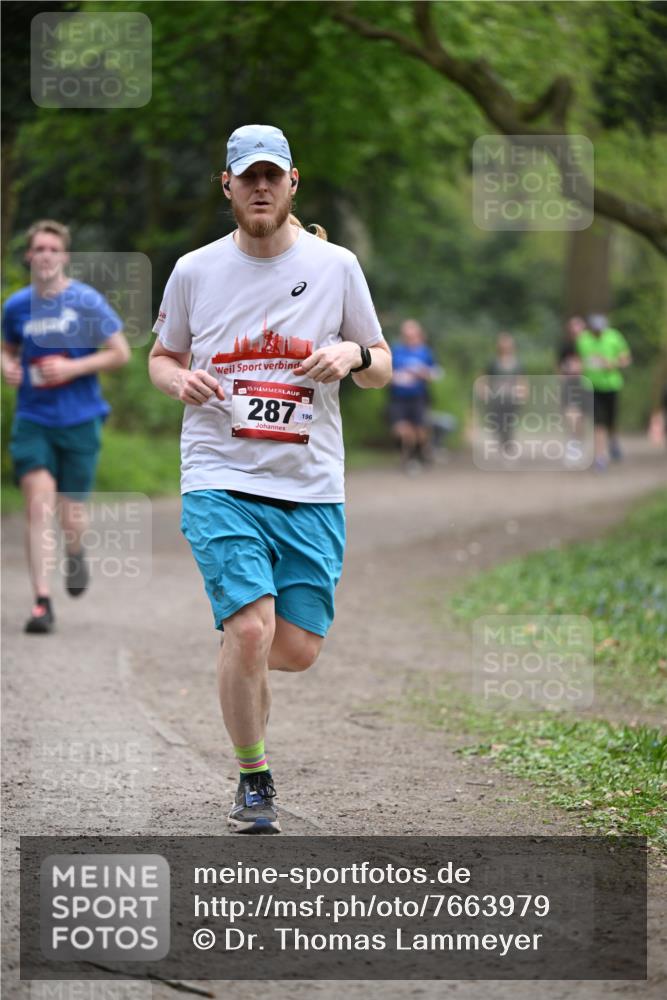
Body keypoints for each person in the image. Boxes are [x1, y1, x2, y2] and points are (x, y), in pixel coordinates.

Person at [148, 124, 391, 834]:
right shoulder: (194, 270)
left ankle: (237, 660)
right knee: (253, 632)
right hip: (219, 473)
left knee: (295, 649)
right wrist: (178, 381)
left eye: (271, 176)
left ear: (292, 183)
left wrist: (348, 353)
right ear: (226, 185)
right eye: (245, 177)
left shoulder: (336, 265)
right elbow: (161, 356)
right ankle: (254, 778)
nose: (259, 188)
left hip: (310, 484)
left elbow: (381, 364)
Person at [1, 219, 130, 634]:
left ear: (65, 257)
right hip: (33, 419)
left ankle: (75, 553)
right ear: (29, 256)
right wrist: (8, 367)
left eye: (53, 249)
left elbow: (120, 353)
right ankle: (42, 602)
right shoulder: (16, 305)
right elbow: (6, 349)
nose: (45, 256)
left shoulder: (86, 301)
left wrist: (72, 366)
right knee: (38, 504)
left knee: (71, 514)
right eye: (38, 249)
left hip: (80, 418)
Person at [576, 313, 632, 470]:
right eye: (595, 329)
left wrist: (612, 363)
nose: (597, 332)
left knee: (611, 421)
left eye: (600, 329)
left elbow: (626, 359)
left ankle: (613, 441)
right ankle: (600, 457)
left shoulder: (614, 337)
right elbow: (580, 360)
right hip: (591, 387)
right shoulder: (583, 339)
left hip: (612, 386)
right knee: (598, 422)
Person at [389, 319, 439, 471]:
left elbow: (435, 374)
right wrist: (396, 377)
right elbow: (385, 373)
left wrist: (423, 373)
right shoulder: (396, 350)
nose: (409, 336)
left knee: (420, 430)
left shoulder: (425, 352)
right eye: (406, 334)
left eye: (412, 333)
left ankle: (421, 454)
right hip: (398, 397)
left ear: (418, 334)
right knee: (402, 429)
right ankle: (408, 459)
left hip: (419, 397)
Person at [478, 332, 527, 451]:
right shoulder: (493, 362)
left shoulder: (517, 363)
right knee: (497, 423)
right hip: (496, 398)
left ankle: (508, 446)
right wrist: (483, 391)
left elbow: (521, 380)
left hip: (511, 398)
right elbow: (483, 377)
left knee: (509, 423)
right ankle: (502, 443)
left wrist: (523, 393)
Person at [557, 316, 587, 461]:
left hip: (585, 385)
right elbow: (558, 366)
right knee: (571, 416)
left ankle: (578, 443)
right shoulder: (565, 347)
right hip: (570, 385)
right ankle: (573, 444)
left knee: (580, 418)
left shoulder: (589, 345)